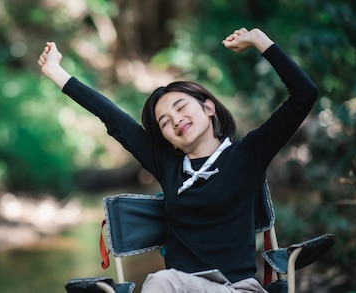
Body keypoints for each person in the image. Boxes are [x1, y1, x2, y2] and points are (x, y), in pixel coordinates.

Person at [37, 28, 318, 292]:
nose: (176, 120)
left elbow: (305, 95)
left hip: (234, 288)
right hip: (180, 286)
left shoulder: (248, 155)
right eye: (164, 122)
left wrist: (260, 41)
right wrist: (56, 72)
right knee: (165, 282)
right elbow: (112, 117)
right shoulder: (169, 167)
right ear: (166, 138)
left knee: (162, 282)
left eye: (181, 107)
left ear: (208, 106)